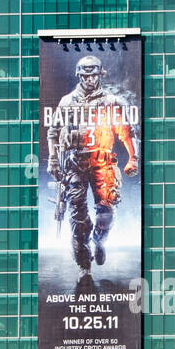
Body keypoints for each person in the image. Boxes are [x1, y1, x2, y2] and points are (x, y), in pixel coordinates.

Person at [47, 55, 140, 273]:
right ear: (79, 75)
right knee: (78, 216)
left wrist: (133, 157)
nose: (90, 79)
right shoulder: (67, 102)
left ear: (100, 75)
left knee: (106, 212)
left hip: (102, 163)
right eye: (86, 75)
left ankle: (99, 240)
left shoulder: (112, 102)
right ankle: (83, 260)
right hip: (76, 164)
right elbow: (53, 133)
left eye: (94, 75)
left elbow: (127, 133)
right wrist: (53, 159)